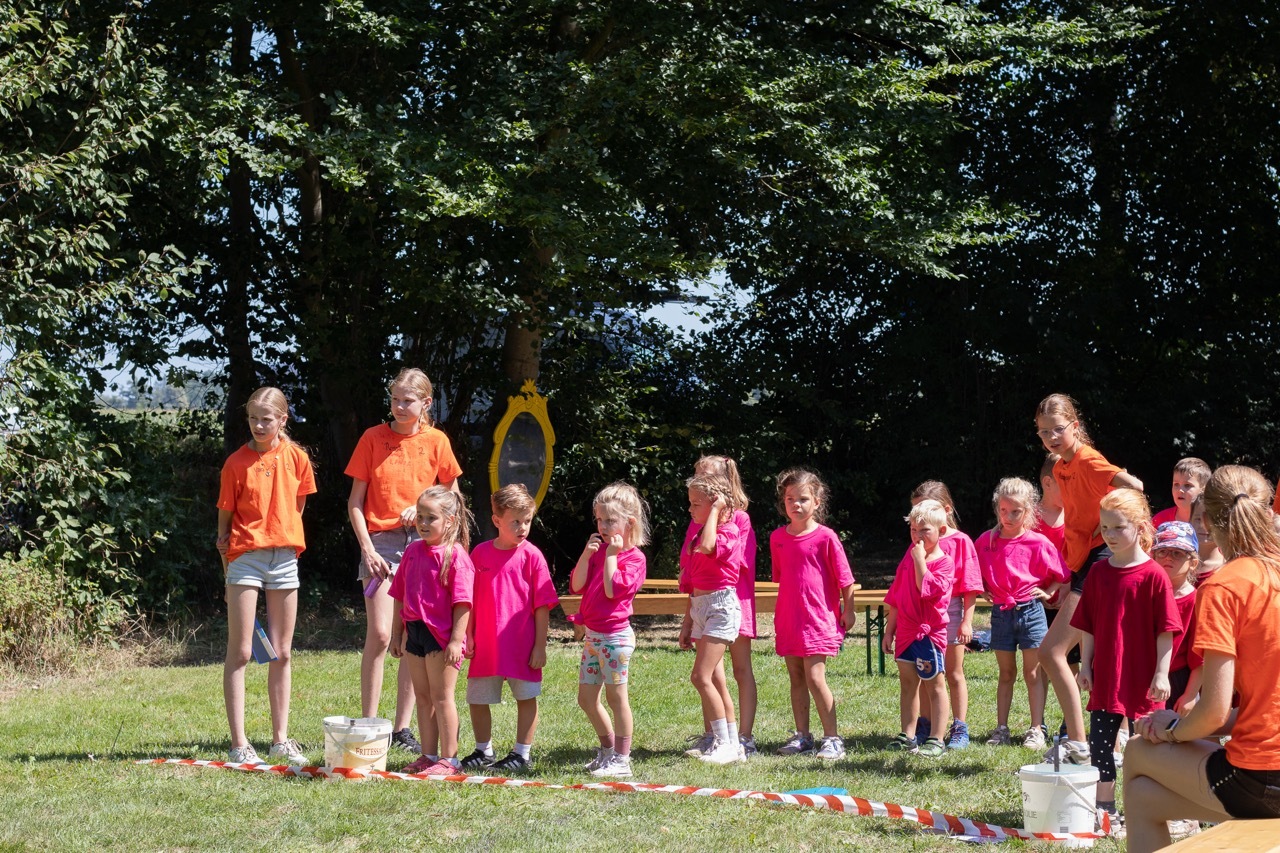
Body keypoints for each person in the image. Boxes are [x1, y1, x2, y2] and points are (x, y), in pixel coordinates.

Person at [1126, 465, 1280, 852]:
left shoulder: (1225, 586)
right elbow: (1260, 707)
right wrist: (1180, 723)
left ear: (1206, 520)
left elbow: (1213, 713)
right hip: (1265, 774)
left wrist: (1171, 730)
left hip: (1263, 780)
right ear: (1268, 512)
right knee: (1143, 797)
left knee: (1137, 750)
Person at [346, 368, 463, 753]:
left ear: (426, 403)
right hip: (381, 544)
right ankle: (368, 725)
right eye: (395, 398)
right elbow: (355, 502)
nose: (399, 406)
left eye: (407, 400)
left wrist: (425, 511)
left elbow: (453, 500)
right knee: (381, 634)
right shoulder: (372, 438)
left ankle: (401, 729)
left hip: (425, 545)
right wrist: (368, 549)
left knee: (414, 636)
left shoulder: (437, 441)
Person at [1034, 393, 1143, 765]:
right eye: (1043, 432)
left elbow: (1134, 486)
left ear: (1075, 426)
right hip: (1084, 564)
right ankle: (1102, 742)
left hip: (1102, 562)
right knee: (1096, 658)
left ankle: (1080, 742)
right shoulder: (1062, 467)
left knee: (1052, 652)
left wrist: (1110, 526)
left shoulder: (1088, 459)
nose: (1051, 437)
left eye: (1058, 429)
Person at [216, 387, 316, 766]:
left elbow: (297, 509)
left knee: (282, 651)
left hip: (285, 559)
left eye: (266, 419)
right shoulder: (235, 463)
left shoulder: (297, 459)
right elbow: (224, 526)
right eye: (253, 418)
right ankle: (239, 744)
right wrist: (227, 566)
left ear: (282, 420)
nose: (259, 425)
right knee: (241, 651)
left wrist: (280, 539)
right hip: (245, 559)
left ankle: (280, 741)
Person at [1070, 489, 1178, 825]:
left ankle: (1150, 809)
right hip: (1107, 676)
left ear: (1140, 526)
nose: (1110, 535)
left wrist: (1161, 674)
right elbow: (1088, 626)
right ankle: (1105, 810)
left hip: (1144, 679)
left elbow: (1166, 631)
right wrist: (1085, 665)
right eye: (1105, 528)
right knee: (1100, 745)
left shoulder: (1154, 575)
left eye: (1119, 527)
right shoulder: (1098, 573)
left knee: (1148, 746)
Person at [459, 484, 557, 773]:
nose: (522, 527)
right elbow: (469, 599)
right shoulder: (479, 554)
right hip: (486, 645)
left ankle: (521, 754)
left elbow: (543, 605)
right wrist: (468, 635)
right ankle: (483, 750)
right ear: (497, 520)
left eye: (527, 521)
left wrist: (540, 646)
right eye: (515, 521)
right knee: (477, 699)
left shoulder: (533, 556)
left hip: (522, 647)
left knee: (526, 698)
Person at [975, 477, 1070, 750]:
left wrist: (1048, 591)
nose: (1008, 517)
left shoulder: (1038, 542)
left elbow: (1062, 574)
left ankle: (1036, 729)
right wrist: (982, 590)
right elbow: (971, 571)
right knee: (1006, 673)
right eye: (1003, 510)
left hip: (1031, 612)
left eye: (1015, 511)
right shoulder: (986, 541)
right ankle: (1001, 728)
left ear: (1028, 511)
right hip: (1001, 613)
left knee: (1033, 673)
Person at [769, 468, 857, 760]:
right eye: (790, 498)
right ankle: (803, 736)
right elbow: (784, 578)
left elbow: (845, 579)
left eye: (803, 499)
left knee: (815, 677)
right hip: (789, 619)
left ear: (817, 502)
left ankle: (832, 739)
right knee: (796, 677)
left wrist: (849, 610)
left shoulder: (826, 537)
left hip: (818, 619)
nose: (796, 504)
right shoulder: (777, 538)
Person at [388, 486, 474, 775]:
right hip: (414, 633)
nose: (423, 523)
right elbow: (399, 595)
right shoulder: (412, 551)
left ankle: (450, 760)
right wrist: (397, 634)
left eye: (431, 518)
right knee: (423, 697)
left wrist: (456, 641)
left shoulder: (455, 555)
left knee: (442, 696)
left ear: (449, 521)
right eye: (420, 517)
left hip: (442, 637)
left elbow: (463, 603)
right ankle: (428, 755)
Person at [681, 455, 760, 758]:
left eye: (705, 477)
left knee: (737, 669)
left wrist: (714, 513)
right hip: (703, 602)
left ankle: (741, 738)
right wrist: (688, 618)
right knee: (711, 675)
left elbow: (721, 554)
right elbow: (692, 568)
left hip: (729, 600)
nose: (698, 480)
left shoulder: (735, 521)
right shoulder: (699, 520)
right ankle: (717, 737)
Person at [571, 482, 649, 778]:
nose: (603, 527)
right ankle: (607, 750)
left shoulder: (635, 559)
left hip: (615, 639)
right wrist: (585, 555)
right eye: (599, 520)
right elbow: (577, 585)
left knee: (617, 699)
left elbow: (612, 589)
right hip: (593, 637)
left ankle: (622, 759)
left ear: (630, 523)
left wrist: (612, 556)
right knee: (586, 699)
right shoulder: (600, 551)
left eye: (610, 520)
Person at [909, 481, 980, 750]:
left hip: (950, 611)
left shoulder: (961, 541)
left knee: (953, 671)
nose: (919, 519)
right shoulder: (917, 541)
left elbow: (970, 585)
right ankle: (926, 724)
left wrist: (967, 622)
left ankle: (959, 727)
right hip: (923, 615)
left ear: (945, 511)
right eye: (915, 512)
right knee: (926, 670)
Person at [883, 499, 954, 757]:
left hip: (928, 634)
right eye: (914, 530)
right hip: (905, 632)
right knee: (907, 684)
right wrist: (889, 630)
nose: (918, 536)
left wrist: (919, 562)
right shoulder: (910, 556)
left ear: (941, 531)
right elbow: (897, 595)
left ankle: (937, 738)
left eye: (925, 530)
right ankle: (908, 734)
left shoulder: (944, 562)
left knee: (934, 684)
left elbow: (928, 589)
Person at [1150, 522, 1199, 711]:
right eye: (1162, 552)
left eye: (1177, 553)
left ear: (1193, 563)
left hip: (1178, 679)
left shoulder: (1196, 600)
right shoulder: (1145, 594)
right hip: (1143, 675)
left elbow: (1201, 656)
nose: (1168, 557)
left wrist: (1190, 695)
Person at [1152, 457, 1211, 527]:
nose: (1180, 490)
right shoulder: (1159, 520)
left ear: (1203, 489)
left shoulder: (1212, 522)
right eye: (1176, 484)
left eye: (1187, 485)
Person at [1033, 454, 1066, 556]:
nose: (1073, 490)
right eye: (1066, 483)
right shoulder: (1026, 517)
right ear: (1048, 483)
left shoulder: (1076, 515)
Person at [1189, 495, 1225, 584]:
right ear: (1190, 520)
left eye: (1210, 520)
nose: (1202, 525)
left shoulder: (1227, 568)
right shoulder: (1177, 562)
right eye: (1198, 519)